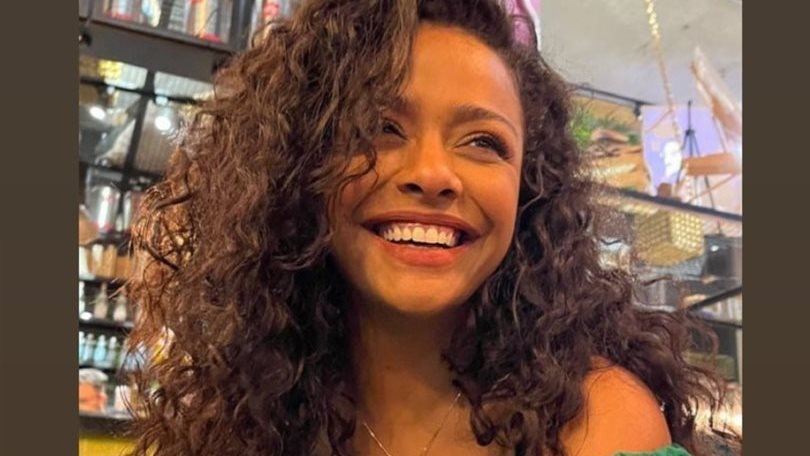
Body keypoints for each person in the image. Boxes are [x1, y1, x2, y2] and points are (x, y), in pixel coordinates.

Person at [126, 1, 736, 455]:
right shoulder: (240, 418)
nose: (433, 174)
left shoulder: (597, 423)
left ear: (529, 192)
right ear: (298, 169)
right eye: (379, 128)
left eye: (483, 142)